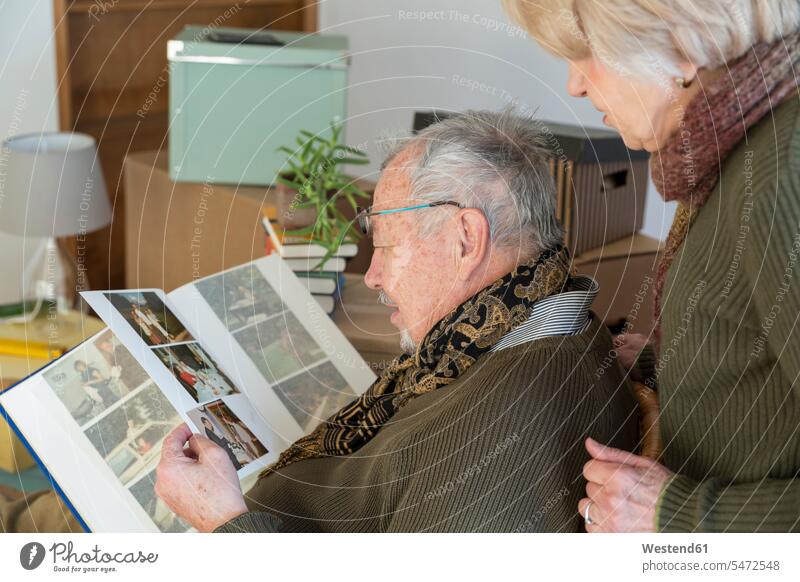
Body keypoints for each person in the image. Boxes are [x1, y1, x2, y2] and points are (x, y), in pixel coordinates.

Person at [153, 109, 639, 533]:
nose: (373, 274)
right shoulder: (531, 323)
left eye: (385, 242)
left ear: (465, 238)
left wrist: (223, 522)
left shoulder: (499, 428)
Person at [503, 0, 800, 532]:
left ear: (683, 49)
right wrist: (681, 361)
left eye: (586, 52)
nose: (574, 84)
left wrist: (675, 515)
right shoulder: (733, 151)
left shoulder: (782, 172)